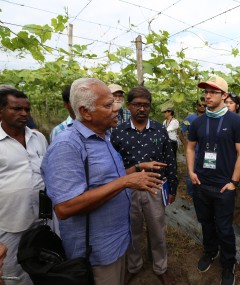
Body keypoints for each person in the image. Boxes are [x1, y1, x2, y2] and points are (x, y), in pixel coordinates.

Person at [41, 78, 162, 285]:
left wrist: (136, 168)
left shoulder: (103, 137)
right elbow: (65, 207)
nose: (116, 108)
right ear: (86, 112)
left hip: (116, 243)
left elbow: (107, 179)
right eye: (108, 105)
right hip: (96, 252)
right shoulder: (68, 145)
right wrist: (126, 182)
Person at [111, 86, 178, 285]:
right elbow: (114, 165)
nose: (142, 109)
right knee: (133, 230)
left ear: (150, 107)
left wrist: (172, 187)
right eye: (137, 105)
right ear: (129, 106)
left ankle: (160, 267)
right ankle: (134, 266)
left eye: (146, 105)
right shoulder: (118, 132)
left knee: (157, 230)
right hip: (129, 189)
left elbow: (170, 159)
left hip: (155, 187)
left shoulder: (159, 129)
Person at [187, 75, 240, 285]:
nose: (207, 96)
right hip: (201, 183)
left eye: (213, 92)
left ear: (224, 95)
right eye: (205, 92)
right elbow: (190, 146)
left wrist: (234, 182)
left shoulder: (236, 121)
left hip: (224, 186)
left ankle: (228, 263)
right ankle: (210, 251)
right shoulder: (198, 121)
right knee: (205, 223)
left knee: (224, 227)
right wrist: (191, 172)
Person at [0, 87, 48, 285]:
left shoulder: (39, 139)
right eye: (16, 109)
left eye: (27, 110)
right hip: (10, 223)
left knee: (42, 267)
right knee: (14, 274)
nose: (24, 114)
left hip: (43, 220)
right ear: (0, 111)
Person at [179, 97, 206, 197]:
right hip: (193, 151)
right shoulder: (190, 118)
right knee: (191, 171)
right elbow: (181, 133)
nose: (202, 107)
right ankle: (190, 193)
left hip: (206, 152)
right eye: (200, 105)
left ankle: (202, 192)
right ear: (196, 106)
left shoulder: (209, 117)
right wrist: (186, 146)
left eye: (205, 105)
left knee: (205, 172)